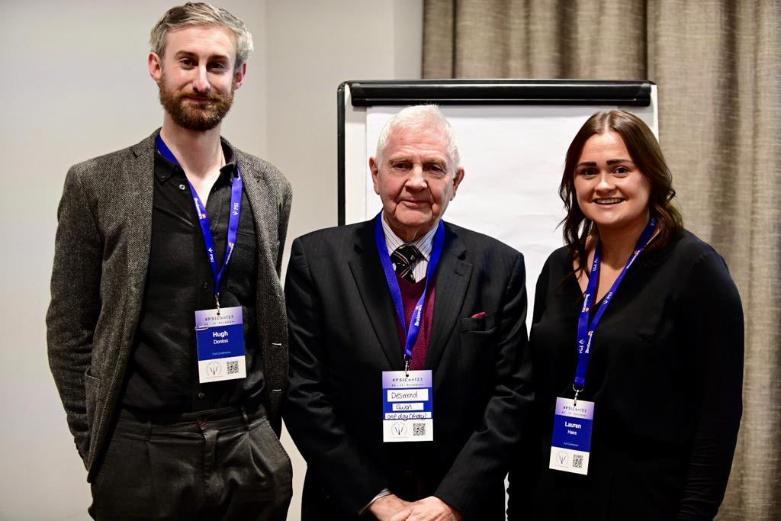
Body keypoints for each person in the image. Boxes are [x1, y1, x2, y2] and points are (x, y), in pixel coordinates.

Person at [46, 3, 293, 519]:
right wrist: (100, 447)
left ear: (239, 76)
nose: (201, 80)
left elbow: (266, 316)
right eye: (187, 62)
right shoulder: (97, 184)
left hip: (247, 445)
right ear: (156, 66)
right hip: (144, 448)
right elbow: (69, 329)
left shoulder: (270, 187)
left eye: (217, 65)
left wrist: (266, 437)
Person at [283, 105, 533, 521]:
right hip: (350, 507)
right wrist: (376, 499)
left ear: (456, 182)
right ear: (375, 173)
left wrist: (451, 500)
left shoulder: (499, 266)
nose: (416, 182)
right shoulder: (317, 260)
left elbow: (512, 395)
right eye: (401, 164)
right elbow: (302, 391)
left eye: (434, 168)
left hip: (459, 509)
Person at [508, 110, 744, 521]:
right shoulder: (558, 267)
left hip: (647, 501)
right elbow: (536, 399)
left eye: (620, 169)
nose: (603, 185)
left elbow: (718, 415)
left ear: (650, 176)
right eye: (588, 171)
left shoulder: (697, 269)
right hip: (550, 500)